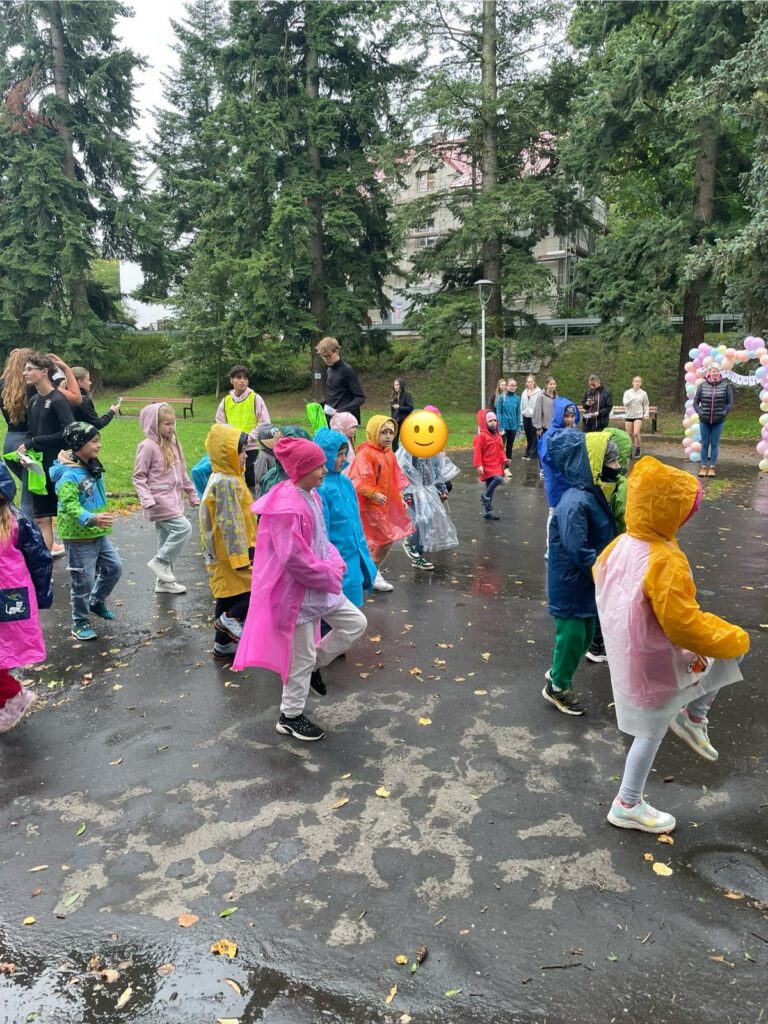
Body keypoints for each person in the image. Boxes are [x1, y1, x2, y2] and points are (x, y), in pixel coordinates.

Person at [595, 457, 749, 833]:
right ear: (669, 512)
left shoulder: (620, 543)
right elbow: (683, 625)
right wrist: (730, 636)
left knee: (654, 725)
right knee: (653, 728)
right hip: (656, 656)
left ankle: (692, 717)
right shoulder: (664, 559)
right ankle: (628, 802)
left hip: (628, 649)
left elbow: (598, 573)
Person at [233, 437, 367, 742]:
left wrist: (334, 562)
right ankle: (290, 716)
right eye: (318, 466)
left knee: (355, 623)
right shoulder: (288, 507)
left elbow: (320, 540)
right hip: (296, 595)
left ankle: (314, 666)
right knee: (300, 657)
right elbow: (294, 559)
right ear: (302, 469)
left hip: (320, 586)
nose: (325, 470)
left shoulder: (312, 495)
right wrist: (328, 573)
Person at [542, 430, 617, 715]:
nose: (617, 467)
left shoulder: (591, 494)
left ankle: (557, 672)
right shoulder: (575, 501)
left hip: (585, 580)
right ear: (593, 465)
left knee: (585, 634)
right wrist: (602, 571)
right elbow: (577, 547)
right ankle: (558, 687)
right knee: (572, 634)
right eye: (611, 462)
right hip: (571, 581)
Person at [51, 421, 123, 641]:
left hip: (98, 533)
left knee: (114, 568)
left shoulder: (90, 466)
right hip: (78, 537)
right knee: (83, 580)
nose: (99, 445)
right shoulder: (69, 475)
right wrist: (91, 518)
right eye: (94, 441)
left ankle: (96, 600)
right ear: (78, 444)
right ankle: (80, 621)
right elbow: (69, 504)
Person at [0, 463, 52, 733]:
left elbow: (39, 560)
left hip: (10, 595)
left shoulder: (17, 522)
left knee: (5, 647)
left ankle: (14, 697)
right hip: (11, 594)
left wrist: (42, 595)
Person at [199, 424, 256, 662]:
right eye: (241, 452)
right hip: (233, 552)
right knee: (255, 590)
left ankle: (222, 645)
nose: (245, 456)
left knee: (228, 595)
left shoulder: (226, 477)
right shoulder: (227, 483)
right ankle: (229, 621)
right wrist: (243, 555)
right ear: (227, 453)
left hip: (225, 553)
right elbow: (230, 523)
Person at [133, 403, 199, 594]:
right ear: (154, 424)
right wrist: (147, 500)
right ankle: (159, 561)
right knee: (183, 528)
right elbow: (138, 476)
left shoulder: (174, 444)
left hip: (174, 500)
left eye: (173, 423)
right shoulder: (147, 447)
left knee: (165, 542)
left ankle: (163, 582)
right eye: (166, 424)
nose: (171, 427)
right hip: (158, 501)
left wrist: (191, 492)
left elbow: (182, 472)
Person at [348, 415, 412, 592]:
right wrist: (373, 494)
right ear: (374, 432)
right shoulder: (366, 454)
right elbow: (358, 479)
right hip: (369, 506)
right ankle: (371, 572)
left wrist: (399, 497)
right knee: (385, 539)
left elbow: (393, 480)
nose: (389, 436)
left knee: (375, 541)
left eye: (391, 432)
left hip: (382, 505)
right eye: (384, 432)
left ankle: (366, 572)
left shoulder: (388, 454)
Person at [19, 353, 76, 553]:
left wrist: (35, 441)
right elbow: (31, 433)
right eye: (25, 369)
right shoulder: (34, 400)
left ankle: (80, 560)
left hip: (58, 466)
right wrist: (26, 453)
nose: (25, 373)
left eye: (29, 369)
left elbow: (69, 432)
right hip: (38, 468)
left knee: (67, 514)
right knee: (42, 518)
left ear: (43, 372)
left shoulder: (58, 400)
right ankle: (45, 564)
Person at [314, 427, 377, 606]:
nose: (343, 459)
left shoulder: (345, 481)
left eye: (344, 453)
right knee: (341, 606)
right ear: (325, 455)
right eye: (338, 455)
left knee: (354, 600)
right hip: (338, 557)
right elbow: (323, 530)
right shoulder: (321, 488)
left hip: (355, 552)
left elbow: (355, 518)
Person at [397, 436, 459, 568]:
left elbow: (436, 471)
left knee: (428, 521)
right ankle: (409, 542)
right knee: (422, 518)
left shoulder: (431, 450)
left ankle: (417, 556)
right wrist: (407, 492)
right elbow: (403, 471)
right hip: (413, 491)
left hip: (427, 490)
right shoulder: (409, 449)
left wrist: (442, 488)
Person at [214, 365, 271, 496]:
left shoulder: (255, 398)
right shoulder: (226, 401)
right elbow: (220, 424)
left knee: (252, 480)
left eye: (245, 378)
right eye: (238, 378)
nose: (242, 381)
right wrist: (232, 439)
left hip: (251, 447)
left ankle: (255, 504)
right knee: (234, 481)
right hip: (233, 448)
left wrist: (248, 437)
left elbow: (264, 423)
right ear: (231, 380)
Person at [538, 398, 581, 555]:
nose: (569, 420)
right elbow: (547, 458)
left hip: (571, 480)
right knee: (555, 512)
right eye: (566, 416)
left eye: (572, 416)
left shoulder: (575, 433)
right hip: (557, 481)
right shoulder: (550, 435)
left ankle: (566, 545)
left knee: (570, 513)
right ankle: (551, 547)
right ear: (559, 416)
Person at [693, 366, 733, 478]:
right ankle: (703, 467)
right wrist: (700, 412)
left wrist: (724, 412)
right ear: (709, 373)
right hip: (704, 420)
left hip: (718, 420)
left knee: (715, 444)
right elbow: (696, 402)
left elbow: (730, 402)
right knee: (705, 443)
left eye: (717, 371)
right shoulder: (702, 385)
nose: (715, 373)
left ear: (719, 373)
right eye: (713, 371)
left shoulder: (725, 385)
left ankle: (712, 468)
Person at [316, 336, 365, 424]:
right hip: (332, 419)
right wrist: (321, 404)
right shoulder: (329, 371)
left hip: (346, 420)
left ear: (337, 351)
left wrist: (342, 411)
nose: (326, 359)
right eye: (324, 357)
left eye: (329, 355)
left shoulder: (347, 370)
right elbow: (335, 396)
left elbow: (360, 397)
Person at [473, 409, 509, 521]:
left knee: (490, 489)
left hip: (496, 464)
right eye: (490, 421)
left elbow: (500, 450)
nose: (493, 423)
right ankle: (485, 496)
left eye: (495, 420)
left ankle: (487, 511)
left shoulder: (497, 435)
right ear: (485, 423)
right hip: (487, 465)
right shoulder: (481, 436)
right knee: (498, 479)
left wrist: (504, 459)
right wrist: (479, 465)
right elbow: (477, 451)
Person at [70, 367, 121, 431]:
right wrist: (112, 411)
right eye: (88, 380)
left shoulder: (63, 396)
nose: (90, 383)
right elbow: (97, 424)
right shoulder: (83, 401)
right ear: (80, 382)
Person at [496, 378, 520, 472]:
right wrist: (500, 426)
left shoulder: (517, 398)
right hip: (503, 426)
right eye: (511, 385)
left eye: (514, 385)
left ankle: (506, 468)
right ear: (507, 386)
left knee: (510, 447)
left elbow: (518, 413)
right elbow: (498, 412)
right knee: (501, 447)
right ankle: (498, 467)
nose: (513, 387)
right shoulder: (501, 397)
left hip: (513, 426)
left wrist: (518, 427)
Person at [622, 375, 650, 457]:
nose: (637, 383)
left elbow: (646, 404)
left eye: (639, 381)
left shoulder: (643, 393)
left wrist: (646, 413)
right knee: (628, 434)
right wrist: (633, 399)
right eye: (636, 381)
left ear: (641, 383)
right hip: (629, 415)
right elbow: (625, 403)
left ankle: (638, 448)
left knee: (636, 433)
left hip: (638, 415)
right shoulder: (627, 392)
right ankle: (629, 450)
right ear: (633, 382)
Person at [520, 374, 541, 460]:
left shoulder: (539, 392)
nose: (530, 383)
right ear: (526, 383)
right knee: (528, 435)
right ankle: (527, 452)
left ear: (534, 382)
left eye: (531, 381)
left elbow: (540, 406)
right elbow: (522, 405)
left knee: (533, 435)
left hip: (534, 416)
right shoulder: (524, 392)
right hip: (526, 416)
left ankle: (533, 454)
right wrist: (521, 418)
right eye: (528, 382)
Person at [390, 378, 414, 451]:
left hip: (404, 421)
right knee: (394, 439)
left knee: (405, 439)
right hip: (395, 421)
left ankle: (407, 454)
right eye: (395, 385)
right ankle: (395, 455)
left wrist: (399, 407)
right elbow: (392, 410)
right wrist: (392, 419)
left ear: (401, 385)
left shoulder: (407, 395)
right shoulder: (394, 395)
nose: (396, 386)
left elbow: (410, 408)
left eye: (398, 385)